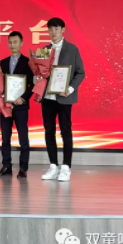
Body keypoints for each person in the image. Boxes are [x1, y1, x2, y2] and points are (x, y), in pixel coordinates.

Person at [38, 17, 85, 182]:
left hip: (64, 97)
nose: (53, 32)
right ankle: (53, 166)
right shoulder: (44, 50)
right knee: (48, 131)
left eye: (56, 29)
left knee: (65, 130)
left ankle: (66, 167)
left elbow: (80, 72)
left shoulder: (72, 49)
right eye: (50, 29)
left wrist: (70, 89)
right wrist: (37, 79)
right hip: (47, 97)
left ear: (63, 30)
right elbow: (39, 73)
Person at [0, 31, 34, 178]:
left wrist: (23, 98)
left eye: (15, 42)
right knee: (5, 137)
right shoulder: (3, 62)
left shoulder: (28, 62)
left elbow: (33, 85)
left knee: (23, 138)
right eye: (10, 42)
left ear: (21, 43)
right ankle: (6, 166)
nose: (12, 45)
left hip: (21, 105)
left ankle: (23, 168)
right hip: (5, 105)